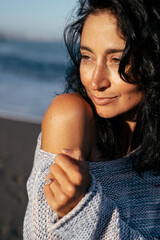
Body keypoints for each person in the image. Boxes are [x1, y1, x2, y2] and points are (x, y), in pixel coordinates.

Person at [23, 0, 160, 239]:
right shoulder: (70, 116)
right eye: (87, 57)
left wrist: (84, 214)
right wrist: (80, 210)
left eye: (116, 59)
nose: (95, 82)